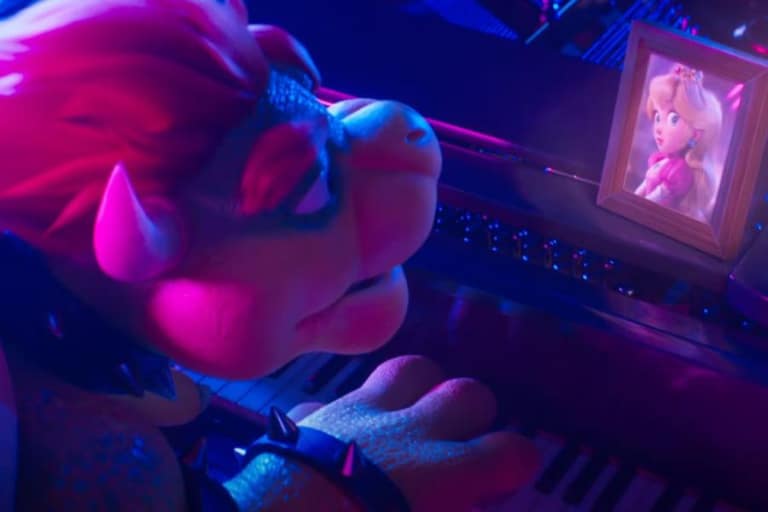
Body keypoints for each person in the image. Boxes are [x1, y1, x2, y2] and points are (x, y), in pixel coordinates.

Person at [0, 0, 538, 510]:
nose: (392, 127)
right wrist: (315, 484)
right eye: (317, 188)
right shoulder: (89, 462)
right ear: (144, 241)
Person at [633, 63, 723, 222]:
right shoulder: (661, 161)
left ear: (695, 134)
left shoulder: (679, 172)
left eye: (673, 119)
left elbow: (652, 201)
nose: (658, 128)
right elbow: (641, 191)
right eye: (658, 117)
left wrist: (632, 209)